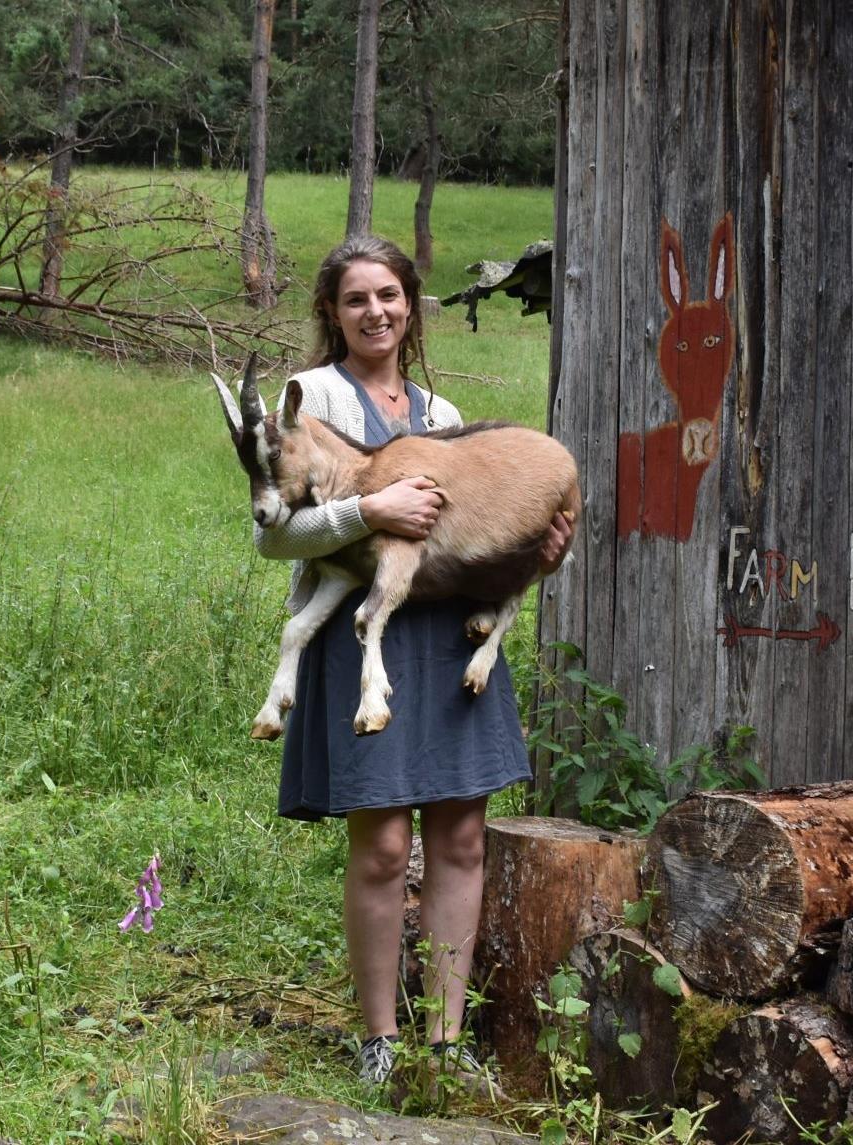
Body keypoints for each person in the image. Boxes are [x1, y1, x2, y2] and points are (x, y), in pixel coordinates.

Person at [253, 234, 573, 1088]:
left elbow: (476, 528)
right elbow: (270, 535)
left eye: (389, 295)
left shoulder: (439, 410)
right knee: (385, 847)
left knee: (461, 839)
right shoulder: (308, 400)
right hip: (367, 643)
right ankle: (380, 1040)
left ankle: (445, 1040)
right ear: (332, 312)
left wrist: (542, 548)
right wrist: (370, 509)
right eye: (356, 298)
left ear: (410, 304)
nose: (376, 312)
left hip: (452, 638)